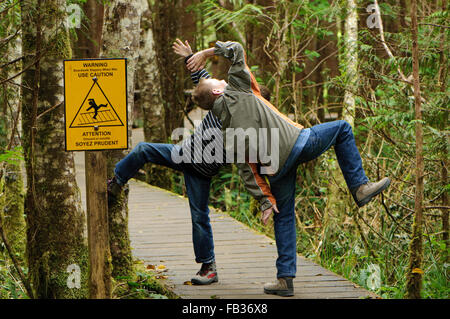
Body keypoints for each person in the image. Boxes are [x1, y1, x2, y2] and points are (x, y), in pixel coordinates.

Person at [187, 40, 391, 297]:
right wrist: (207, 53)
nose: (222, 81)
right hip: (297, 144)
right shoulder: (237, 90)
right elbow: (236, 49)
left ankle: (285, 280)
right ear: (218, 93)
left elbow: (247, 169)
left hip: (276, 169)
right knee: (342, 129)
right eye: (218, 82)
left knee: (282, 215)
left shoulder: (227, 131)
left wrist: (264, 200)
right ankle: (359, 187)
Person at [107, 39, 272, 286]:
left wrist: (263, 198)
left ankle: (117, 182)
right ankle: (209, 268)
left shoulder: (237, 113)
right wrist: (190, 56)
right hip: (195, 162)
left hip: (191, 159)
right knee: (199, 215)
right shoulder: (224, 100)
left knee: (143, 150)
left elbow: (249, 159)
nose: (225, 83)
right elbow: (205, 83)